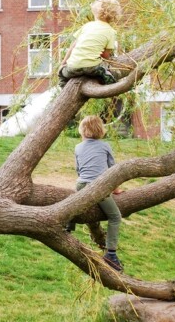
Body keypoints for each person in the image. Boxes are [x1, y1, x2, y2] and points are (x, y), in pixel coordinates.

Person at [68, 116, 125, 272]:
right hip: (98, 187)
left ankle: (69, 222)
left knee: (76, 203)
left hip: (80, 185)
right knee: (115, 217)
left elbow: (78, 170)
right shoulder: (105, 146)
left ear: (82, 130)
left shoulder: (78, 147)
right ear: (100, 130)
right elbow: (113, 171)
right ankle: (111, 254)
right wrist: (115, 189)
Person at [59, 0, 122, 88]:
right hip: (92, 67)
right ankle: (108, 79)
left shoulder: (87, 26)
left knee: (62, 73)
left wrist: (63, 63)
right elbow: (105, 55)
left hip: (73, 67)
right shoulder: (111, 32)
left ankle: (63, 84)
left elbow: (73, 46)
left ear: (95, 10)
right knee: (107, 69)